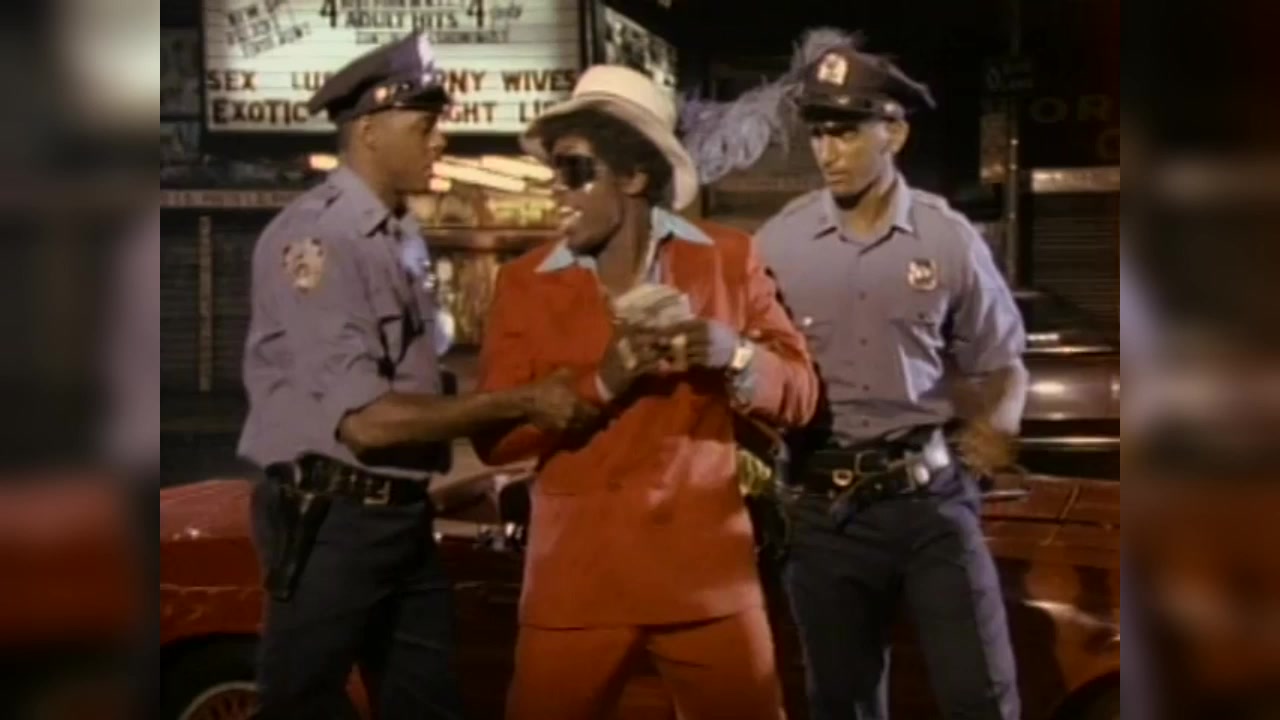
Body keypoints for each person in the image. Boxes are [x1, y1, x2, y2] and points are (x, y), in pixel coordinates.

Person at [237, 33, 593, 719]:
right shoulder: (321, 240)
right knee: (301, 704)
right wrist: (520, 401)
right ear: (369, 130)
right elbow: (369, 424)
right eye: (425, 125)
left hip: (399, 515)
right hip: (334, 519)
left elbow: (416, 383)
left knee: (428, 704)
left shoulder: (396, 235)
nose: (441, 141)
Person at [471, 65, 820, 720]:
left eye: (576, 170)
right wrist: (603, 381)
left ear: (632, 177)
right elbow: (493, 440)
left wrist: (735, 354)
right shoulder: (525, 283)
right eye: (553, 171)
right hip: (577, 582)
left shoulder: (727, 259)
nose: (556, 188)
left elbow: (801, 395)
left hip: (705, 577)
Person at [752, 43, 1028, 720]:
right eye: (818, 132)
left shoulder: (947, 239)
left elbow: (1002, 363)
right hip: (821, 511)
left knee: (979, 697)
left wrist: (1000, 425)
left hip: (929, 503)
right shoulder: (778, 244)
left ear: (894, 133)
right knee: (842, 703)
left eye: (846, 131)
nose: (828, 151)